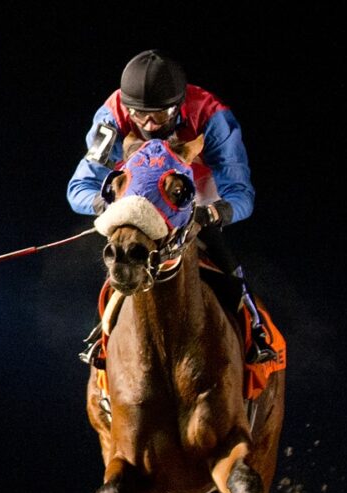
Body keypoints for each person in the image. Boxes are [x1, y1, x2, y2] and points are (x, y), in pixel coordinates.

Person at [68, 49, 276, 364]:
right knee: (124, 256)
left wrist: (213, 213)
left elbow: (240, 193)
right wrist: (109, 205)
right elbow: (78, 188)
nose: (149, 124)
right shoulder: (112, 116)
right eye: (139, 114)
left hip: (193, 193)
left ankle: (254, 331)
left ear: (179, 106)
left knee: (225, 262)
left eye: (160, 114)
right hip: (134, 200)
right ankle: (100, 340)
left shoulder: (212, 116)